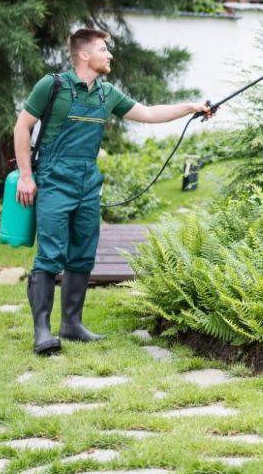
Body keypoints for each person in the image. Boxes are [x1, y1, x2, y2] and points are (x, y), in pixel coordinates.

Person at [12, 28, 213, 355]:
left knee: (83, 252)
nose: (109, 55)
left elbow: (148, 113)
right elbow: (22, 126)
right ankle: (42, 331)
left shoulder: (107, 94)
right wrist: (25, 176)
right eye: (103, 50)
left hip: (88, 181)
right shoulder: (53, 86)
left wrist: (192, 107)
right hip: (52, 177)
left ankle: (72, 325)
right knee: (50, 253)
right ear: (84, 55)